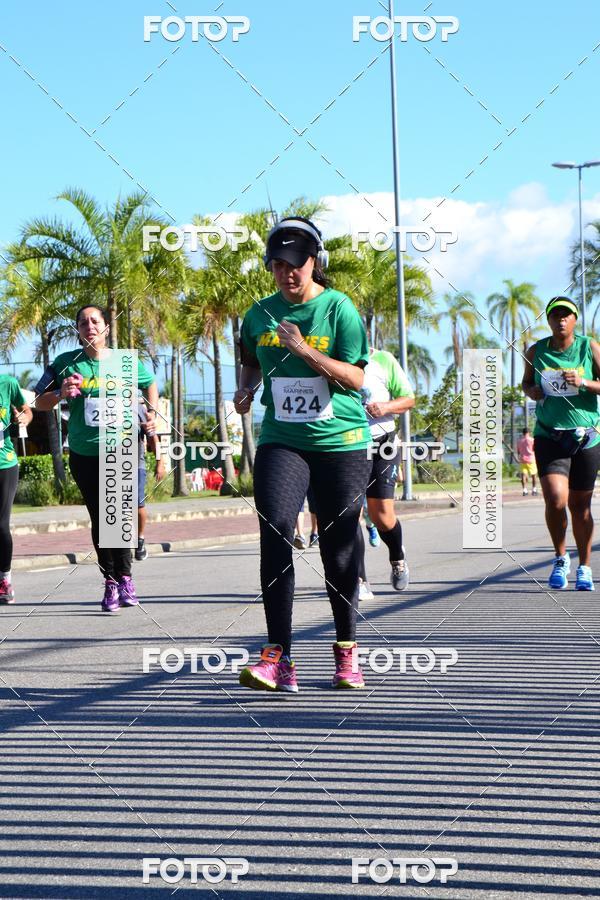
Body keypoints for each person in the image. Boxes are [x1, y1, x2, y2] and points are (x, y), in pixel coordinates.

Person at [234, 216, 371, 692]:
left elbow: (355, 379)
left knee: (337, 551)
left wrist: (304, 351)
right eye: (278, 265)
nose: (288, 273)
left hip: (341, 443)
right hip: (283, 438)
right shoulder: (258, 314)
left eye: (297, 264)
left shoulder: (339, 309)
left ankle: (346, 650)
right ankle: (279, 656)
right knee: (273, 527)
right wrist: (245, 389)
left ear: (315, 262)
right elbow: (250, 359)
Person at [35, 306, 159, 611]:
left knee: (118, 515)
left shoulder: (126, 361)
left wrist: (152, 414)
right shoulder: (64, 364)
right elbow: (39, 401)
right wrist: (61, 393)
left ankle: (124, 578)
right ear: (77, 330)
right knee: (102, 517)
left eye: (95, 321)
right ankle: (110, 581)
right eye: (83, 322)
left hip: (121, 446)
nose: (89, 326)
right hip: (84, 451)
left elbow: (150, 383)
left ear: (105, 328)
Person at [522, 296, 600, 591]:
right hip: (549, 434)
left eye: (567, 315)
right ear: (549, 320)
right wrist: (533, 392)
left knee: (580, 507)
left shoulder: (588, 347)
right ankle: (560, 557)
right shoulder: (536, 350)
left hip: (586, 436)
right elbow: (526, 382)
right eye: (556, 315)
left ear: (575, 319)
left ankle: (584, 567)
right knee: (556, 500)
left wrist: (584, 383)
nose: (561, 320)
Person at [356, 347, 415, 601]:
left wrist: (386, 406)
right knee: (348, 515)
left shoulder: (382, 359)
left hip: (384, 443)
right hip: (347, 445)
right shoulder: (331, 358)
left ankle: (398, 557)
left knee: (382, 516)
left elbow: (408, 399)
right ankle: (359, 580)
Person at [0, 377, 33, 604]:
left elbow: (27, 411)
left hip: (4, 463)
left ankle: (4, 579)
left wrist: (23, 418)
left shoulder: (7, 383)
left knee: (1, 525)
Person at [135, 399, 165, 561]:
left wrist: (160, 463)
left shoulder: (139, 409)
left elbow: (154, 439)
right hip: (112, 465)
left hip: (136, 464)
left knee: (138, 505)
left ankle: (140, 539)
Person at [516, 428, 538, 495]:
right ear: (529, 432)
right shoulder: (532, 440)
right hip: (531, 459)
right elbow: (535, 449)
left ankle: (524, 490)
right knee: (534, 475)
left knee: (523, 475)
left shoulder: (519, 441)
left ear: (523, 433)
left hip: (523, 459)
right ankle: (534, 489)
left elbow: (518, 451)